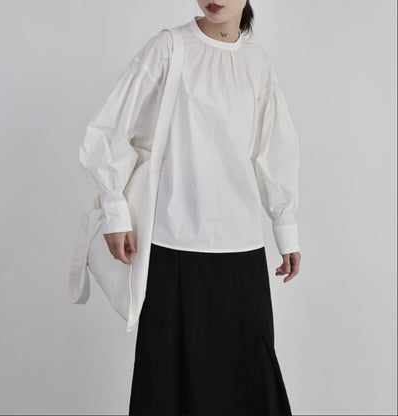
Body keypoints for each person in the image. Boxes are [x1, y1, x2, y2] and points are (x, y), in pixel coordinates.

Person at [78, 1, 302, 414]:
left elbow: (274, 151)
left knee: (250, 384)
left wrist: (285, 227)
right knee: (169, 385)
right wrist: (114, 210)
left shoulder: (258, 64)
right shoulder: (168, 48)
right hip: (172, 244)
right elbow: (108, 129)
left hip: (240, 246)